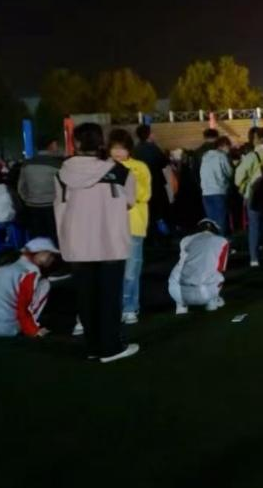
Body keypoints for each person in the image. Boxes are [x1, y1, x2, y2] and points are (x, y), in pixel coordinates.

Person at [54, 123, 139, 363]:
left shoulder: (61, 174)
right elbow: (130, 202)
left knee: (86, 298)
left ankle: (93, 347)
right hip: (110, 241)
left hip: (77, 244)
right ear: (102, 142)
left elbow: (59, 206)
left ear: (76, 143)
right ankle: (111, 348)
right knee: (109, 297)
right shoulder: (120, 172)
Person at [108, 129, 151, 325]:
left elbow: (144, 194)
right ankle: (116, 307)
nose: (118, 152)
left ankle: (130, 307)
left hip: (134, 224)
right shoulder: (103, 167)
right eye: (114, 148)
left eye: (122, 148)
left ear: (129, 149)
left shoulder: (139, 167)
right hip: (109, 225)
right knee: (113, 272)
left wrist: (124, 177)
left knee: (131, 270)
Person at [0, 237, 59, 338]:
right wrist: (33, 331)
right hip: (7, 327)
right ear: (40, 254)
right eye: (50, 254)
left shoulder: (8, 264)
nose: (53, 259)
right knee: (45, 284)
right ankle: (30, 325)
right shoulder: (30, 273)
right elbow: (23, 307)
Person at [235, 128, 263, 268]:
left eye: (255, 138)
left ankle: (254, 258)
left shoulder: (251, 156)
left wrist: (244, 188)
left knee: (254, 227)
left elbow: (239, 176)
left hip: (254, 194)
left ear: (260, 139)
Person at [168, 219, 229, 314]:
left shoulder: (185, 239)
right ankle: (212, 302)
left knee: (179, 269)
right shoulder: (222, 241)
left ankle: (181, 306)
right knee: (218, 275)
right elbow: (221, 268)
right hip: (203, 294)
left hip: (177, 292)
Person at [17, 138, 63, 242]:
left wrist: (28, 199)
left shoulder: (26, 164)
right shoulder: (57, 164)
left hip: (32, 207)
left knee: (37, 238)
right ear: (51, 146)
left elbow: (21, 188)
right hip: (52, 207)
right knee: (54, 238)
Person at [133, 124, 171, 239]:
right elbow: (164, 162)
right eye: (152, 132)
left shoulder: (135, 149)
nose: (154, 134)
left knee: (148, 212)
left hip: (141, 186)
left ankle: (149, 235)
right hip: (156, 183)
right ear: (149, 135)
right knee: (159, 211)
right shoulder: (153, 148)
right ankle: (162, 235)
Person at [200, 135, 234, 234]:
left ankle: (214, 241)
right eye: (228, 147)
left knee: (212, 222)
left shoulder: (205, 156)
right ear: (223, 145)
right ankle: (222, 241)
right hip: (219, 192)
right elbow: (229, 172)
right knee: (221, 221)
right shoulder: (222, 156)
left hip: (206, 193)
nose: (229, 149)